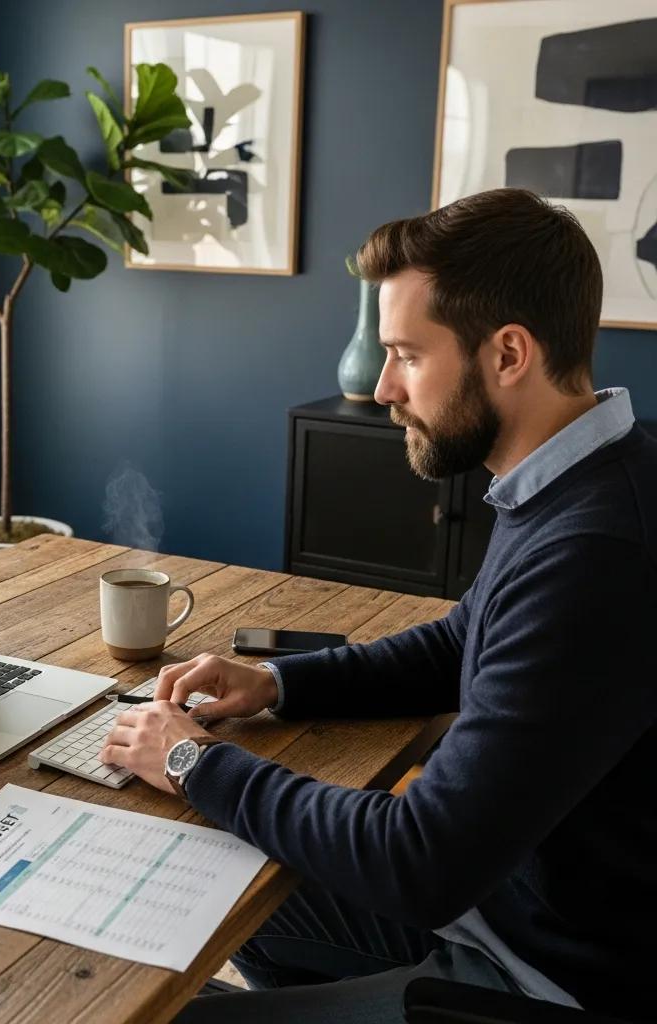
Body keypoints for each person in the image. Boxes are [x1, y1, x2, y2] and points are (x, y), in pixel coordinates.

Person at [100, 188, 656, 1023]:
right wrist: (277, 685)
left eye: (408, 354)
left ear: (508, 354)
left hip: (544, 983)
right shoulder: (583, 476)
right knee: (225, 876)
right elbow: (463, 643)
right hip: (502, 909)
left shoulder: (595, 552)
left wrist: (193, 763)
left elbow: (421, 858)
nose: (386, 386)